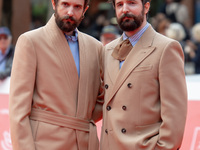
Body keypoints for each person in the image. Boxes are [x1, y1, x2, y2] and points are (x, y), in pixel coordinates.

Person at [9, 0, 104, 150]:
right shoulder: (31, 41)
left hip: (85, 142)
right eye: (65, 4)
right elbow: (18, 111)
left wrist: (80, 119)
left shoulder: (96, 47)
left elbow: (103, 98)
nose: (70, 12)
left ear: (85, 10)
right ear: (54, 3)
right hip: (44, 143)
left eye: (77, 7)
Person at [100, 0, 187, 149]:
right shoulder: (107, 50)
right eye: (119, 4)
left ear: (146, 6)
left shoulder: (166, 48)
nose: (125, 9)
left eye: (132, 3)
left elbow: (174, 116)